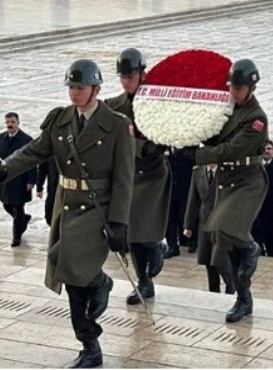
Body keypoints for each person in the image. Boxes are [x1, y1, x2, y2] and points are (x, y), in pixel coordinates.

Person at [0, 59, 134, 368]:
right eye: (71, 87)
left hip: (98, 208)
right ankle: (90, 341)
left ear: (96, 88)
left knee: (70, 268)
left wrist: (119, 221)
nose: (74, 93)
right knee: (68, 272)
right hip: (66, 204)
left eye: (79, 87)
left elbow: (124, 177)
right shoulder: (60, 120)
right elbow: (34, 151)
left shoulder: (117, 125)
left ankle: (91, 332)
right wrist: (5, 169)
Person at [185, 58, 267, 323]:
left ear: (251, 87)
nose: (234, 91)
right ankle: (244, 299)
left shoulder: (256, 118)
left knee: (225, 227)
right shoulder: (229, 109)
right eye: (232, 86)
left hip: (248, 180)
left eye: (239, 87)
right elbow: (214, 135)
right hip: (227, 179)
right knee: (223, 240)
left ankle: (251, 246)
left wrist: (198, 154)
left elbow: (229, 150)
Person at [105, 48, 169, 305]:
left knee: (145, 230)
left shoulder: (158, 103)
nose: (125, 81)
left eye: (129, 76)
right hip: (129, 175)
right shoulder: (115, 106)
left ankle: (157, 249)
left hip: (152, 175)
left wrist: (152, 145)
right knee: (131, 234)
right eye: (122, 77)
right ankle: (144, 282)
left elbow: (169, 133)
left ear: (142, 74)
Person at [184, 163, 235, 294]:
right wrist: (188, 225)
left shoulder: (226, 170)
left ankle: (231, 285)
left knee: (220, 258)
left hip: (222, 221)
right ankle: (213, 290)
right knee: (208, 259)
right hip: (204, 221)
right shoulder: (197, 171)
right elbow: (193, 199)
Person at [0, 112, 37, 246]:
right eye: (8, 122)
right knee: (6, 204)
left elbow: (33, 161)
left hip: (21, 180)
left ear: (18, 123)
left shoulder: (26, 140)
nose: (10, 125)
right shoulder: (0, 138)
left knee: (18, 207)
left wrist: (31, 180)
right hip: (6, 179)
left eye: (12, 122)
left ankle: (16, 237)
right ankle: (23, 219)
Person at [165, 147, 195, 256]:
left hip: (186, 188)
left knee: (186, 215)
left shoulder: (190, 146)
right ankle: (172, 246)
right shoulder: (165, 144)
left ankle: (191, 241)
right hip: (170, 189)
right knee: (170, 218)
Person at [36, 156, 59, 226]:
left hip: (69, 191)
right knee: (49, 216)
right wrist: (39, 187)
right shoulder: (50, 150)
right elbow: (42, 168)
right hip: (53, 188)